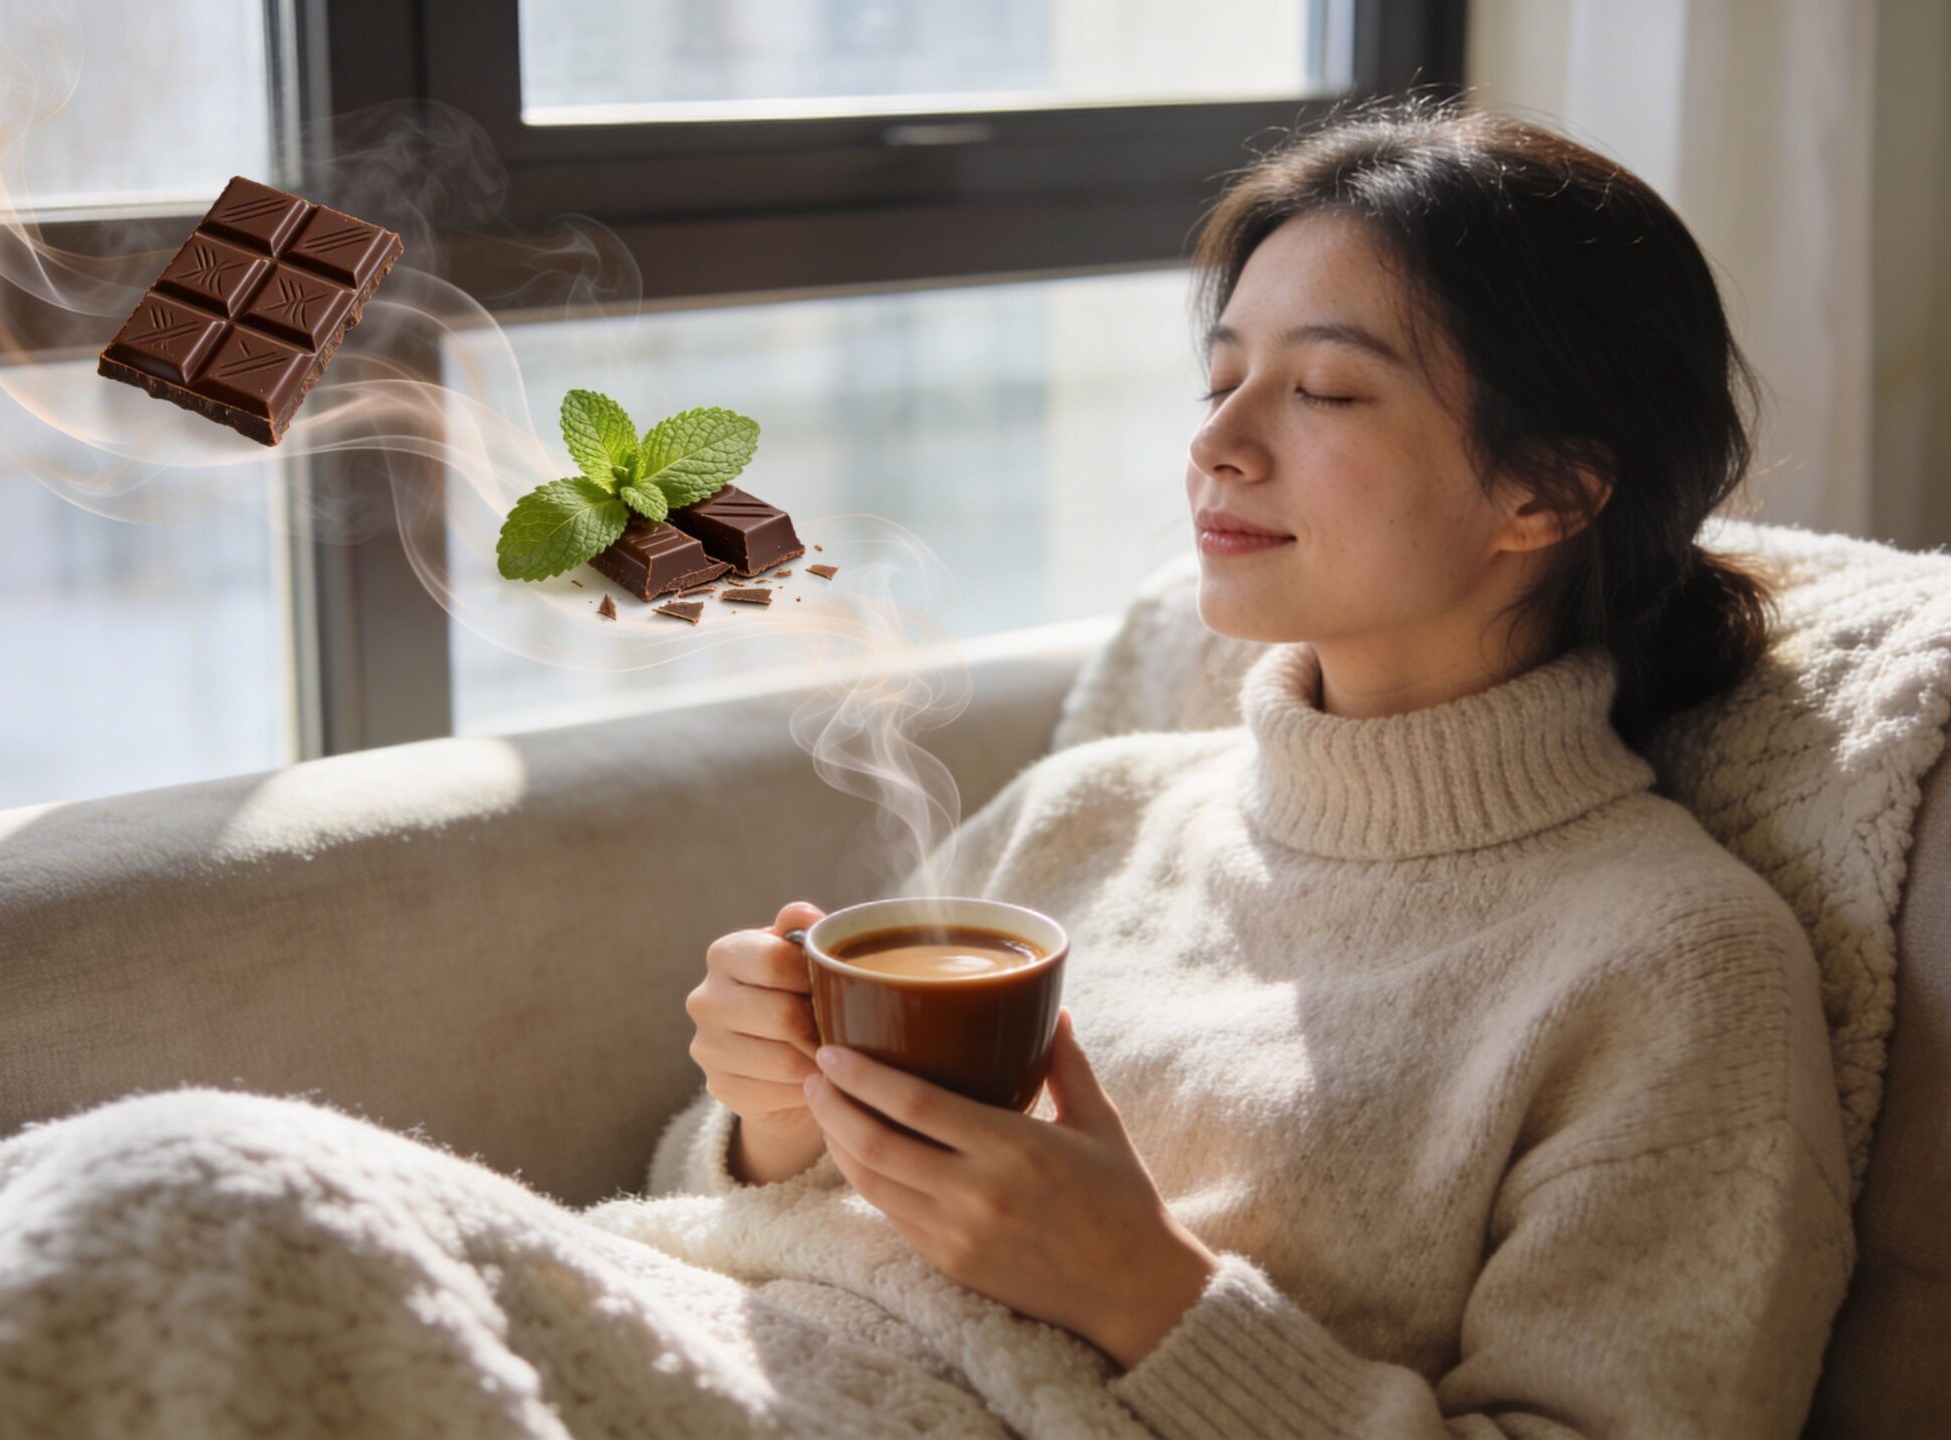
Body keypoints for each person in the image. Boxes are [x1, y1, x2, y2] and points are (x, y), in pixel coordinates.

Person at [669, 94, 1854, 1437]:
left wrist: (1148, 1295)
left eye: (1327, 388)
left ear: (1552, 492)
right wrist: (772, 1112)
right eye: (1220, 376)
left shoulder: (1675, 969)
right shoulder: (1089, 812)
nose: (1217, 445)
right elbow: (715, 1217)